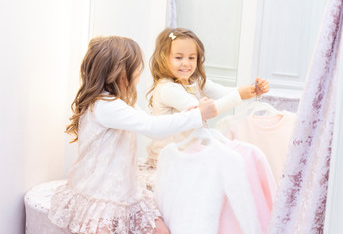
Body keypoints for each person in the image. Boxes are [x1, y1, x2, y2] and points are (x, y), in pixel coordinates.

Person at [48, 36, 218, 234]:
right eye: (137, 70)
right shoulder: (105, 106)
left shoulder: (122, 102)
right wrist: (197, 115)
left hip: (126, 190)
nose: (139, 75)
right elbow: (152, 127)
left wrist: (192, 113)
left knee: (161, 231)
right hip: (100, 192)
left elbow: (152, 125)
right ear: (120, 73)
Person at [146, 27, 270, 167]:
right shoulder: (167, 88)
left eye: (191, 57)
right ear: (163, 59)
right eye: (178, 57)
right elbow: (202, 112)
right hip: (168, 161)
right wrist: (239, 94)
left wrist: (252, 90)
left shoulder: (195, 81)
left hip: (189, 155)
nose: (186, 63)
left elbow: (222, 92)